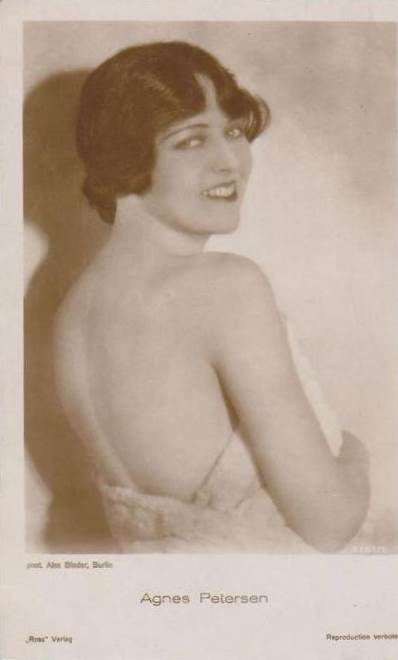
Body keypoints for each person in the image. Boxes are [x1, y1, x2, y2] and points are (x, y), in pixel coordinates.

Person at [53, 41, 370, 553]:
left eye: (234, 132)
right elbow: (330, 524)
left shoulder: (73, 315)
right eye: (191, 140)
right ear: (124, 158)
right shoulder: (226, 287)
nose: (230, 161)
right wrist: (357, 457)